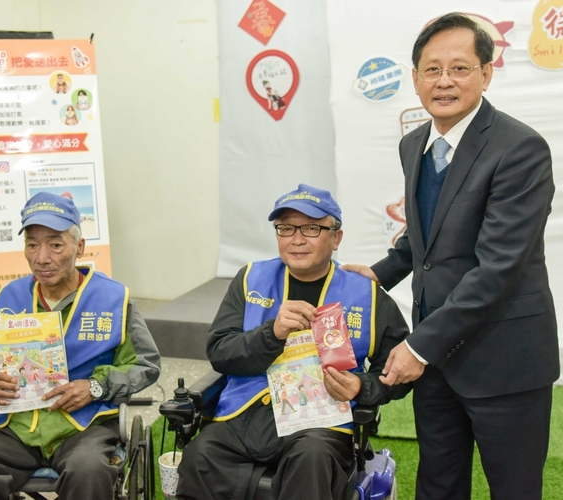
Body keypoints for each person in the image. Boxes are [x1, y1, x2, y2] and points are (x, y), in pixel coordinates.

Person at [344, 13, 559, 500]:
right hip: (438, 359)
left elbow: (498, 268)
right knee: (438, 483)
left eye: (460, 68)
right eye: (432, 69)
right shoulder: (414, 144)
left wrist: (418, 347)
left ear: (486, 73)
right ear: (415, 77)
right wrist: (379, 273)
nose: (444, 81)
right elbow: (429, 234)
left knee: (514, 488)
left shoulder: (520, 149)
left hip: (504, 357)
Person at [176, 184, 410, 500]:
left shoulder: (366, 294)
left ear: (336, 238)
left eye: (311, 228)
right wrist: (271, 334)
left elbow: (399, 371)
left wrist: (361, 387)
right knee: (200, 456)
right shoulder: (250, 280)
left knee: (311, 458)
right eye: (285, 228)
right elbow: (219, 351)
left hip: (320, 422)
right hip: (244, 414)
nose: (296, 239)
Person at [0, 192, 161, 500]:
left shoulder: (114, 299)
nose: (42, 258)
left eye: (55, 245)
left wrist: (96, 386)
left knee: (88, 471)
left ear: (79, 247)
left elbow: (145, 364)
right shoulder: (5, 301)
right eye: (32, 245)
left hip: (84, 426)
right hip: (15, 428)